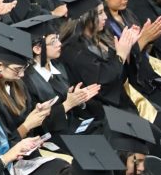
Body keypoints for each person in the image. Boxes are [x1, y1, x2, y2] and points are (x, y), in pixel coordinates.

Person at [14, 14, 102, 142]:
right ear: (37, 49)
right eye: (53, 41)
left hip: (71, 126)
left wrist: (79, 99)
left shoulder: (58, 66)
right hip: (50, 137)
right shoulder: (27, 81)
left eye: (58, 39)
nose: (59, 44)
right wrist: (67, 104)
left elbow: (72, 105)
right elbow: (39, 125)